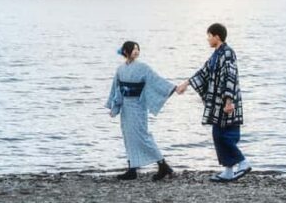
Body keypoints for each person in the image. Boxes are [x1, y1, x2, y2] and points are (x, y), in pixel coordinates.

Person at [177, 23, 251, 182]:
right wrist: (186, 83)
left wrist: (229, 101)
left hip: (227, 102)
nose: (207, 39)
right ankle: (228, 170)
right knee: (217, 134)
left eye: (209, 36)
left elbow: (231, 77)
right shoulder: (216, 54)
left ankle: (243, 162)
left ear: (217, 36)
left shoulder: (228, 53)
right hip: (218, 102)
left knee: (227, 135)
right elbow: (203, 72)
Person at [106, 41, 175, 181]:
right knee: (128, 137)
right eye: (133, 49)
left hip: (138, 105)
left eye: (138, 49)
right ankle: (132, 169)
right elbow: (116, 88)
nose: (136, 51)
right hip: (126, 106)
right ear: (126, 51)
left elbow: (156, 80)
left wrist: (172, 88)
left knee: (143, 136)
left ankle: (163, 165)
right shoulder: (120, 69)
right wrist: (115, 106)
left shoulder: (143, 67)